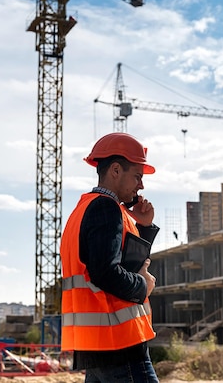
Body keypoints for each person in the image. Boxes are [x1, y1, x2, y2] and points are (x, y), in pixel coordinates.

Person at [60, 132, 160, 383]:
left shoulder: (87, 208)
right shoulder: (106, 209)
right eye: (137, 176)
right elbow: (105, 271)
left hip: (99, 345)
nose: (141, 185)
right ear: (116, 170)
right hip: (119, 343)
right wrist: (143, 286)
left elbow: (127, 262)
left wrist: (144, 226)